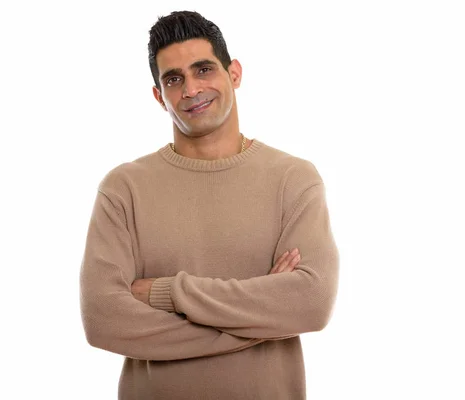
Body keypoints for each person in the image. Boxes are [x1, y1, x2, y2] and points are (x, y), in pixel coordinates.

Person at [79, 10, 339, 400]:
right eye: (174, 79)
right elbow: (103, 319)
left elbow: (311, 303)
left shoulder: (293, 179)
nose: (191, 89)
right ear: (158, 95)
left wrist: (165, 294)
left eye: (204, 70)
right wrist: (261, 319)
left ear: (234, 73)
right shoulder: (123, 188)